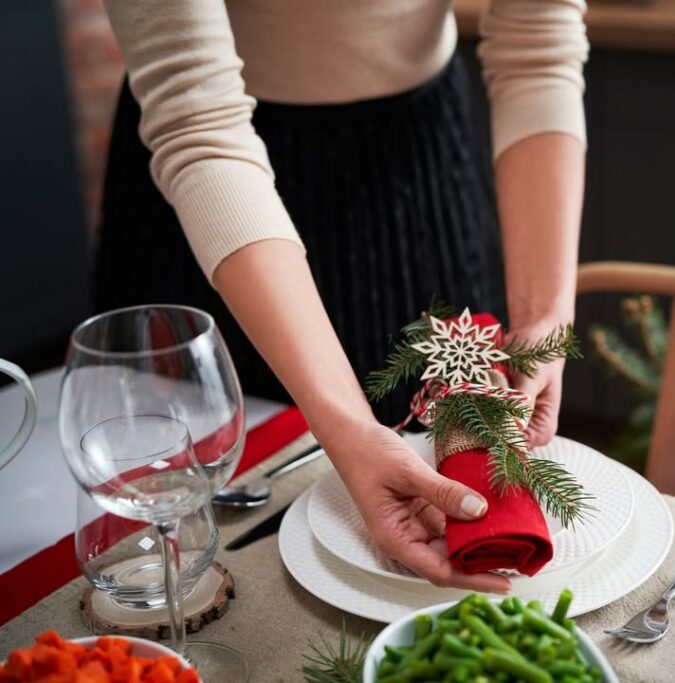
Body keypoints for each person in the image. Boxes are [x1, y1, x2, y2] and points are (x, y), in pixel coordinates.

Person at [95, 1, 588, 595]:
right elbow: (199, 126)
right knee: (212, 535)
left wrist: (544, 314)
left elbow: (539, 47)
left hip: (419, 162)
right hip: (212, 196)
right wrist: (351, 431)